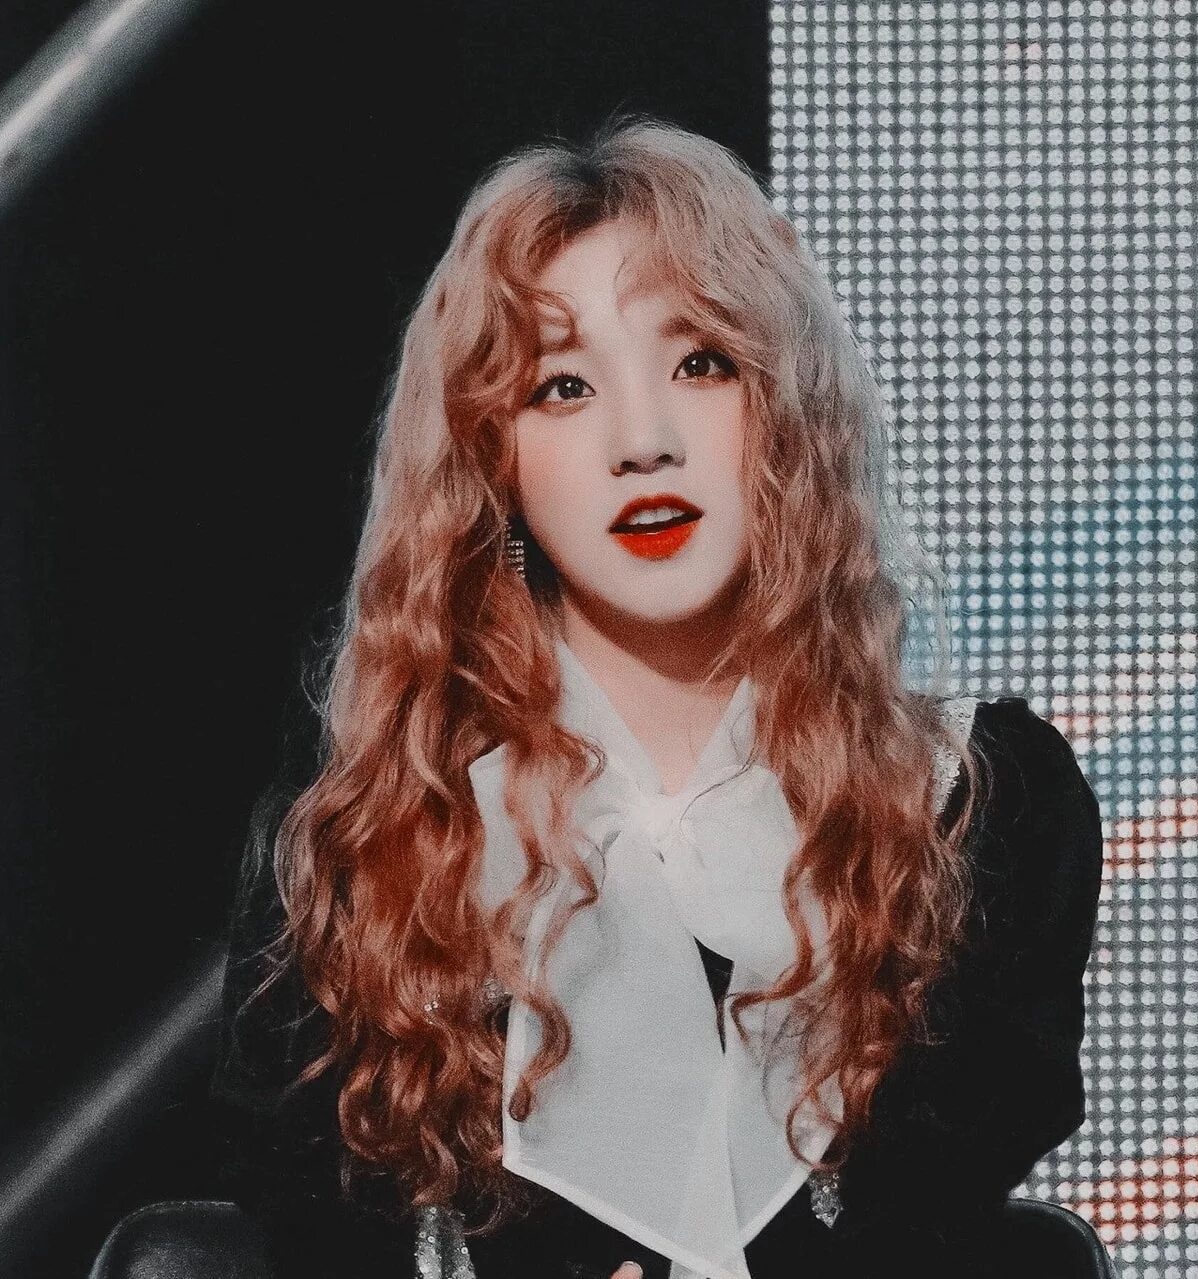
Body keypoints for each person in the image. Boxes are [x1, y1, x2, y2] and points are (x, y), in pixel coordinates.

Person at [209, 113, 1104, 1279]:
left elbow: (932, 1215)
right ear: (492, 462)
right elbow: (314, 1233)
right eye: (562, 385)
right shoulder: (369, 839)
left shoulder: (974, 810)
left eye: (699, 364)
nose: (641, 441)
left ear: (783, 415)